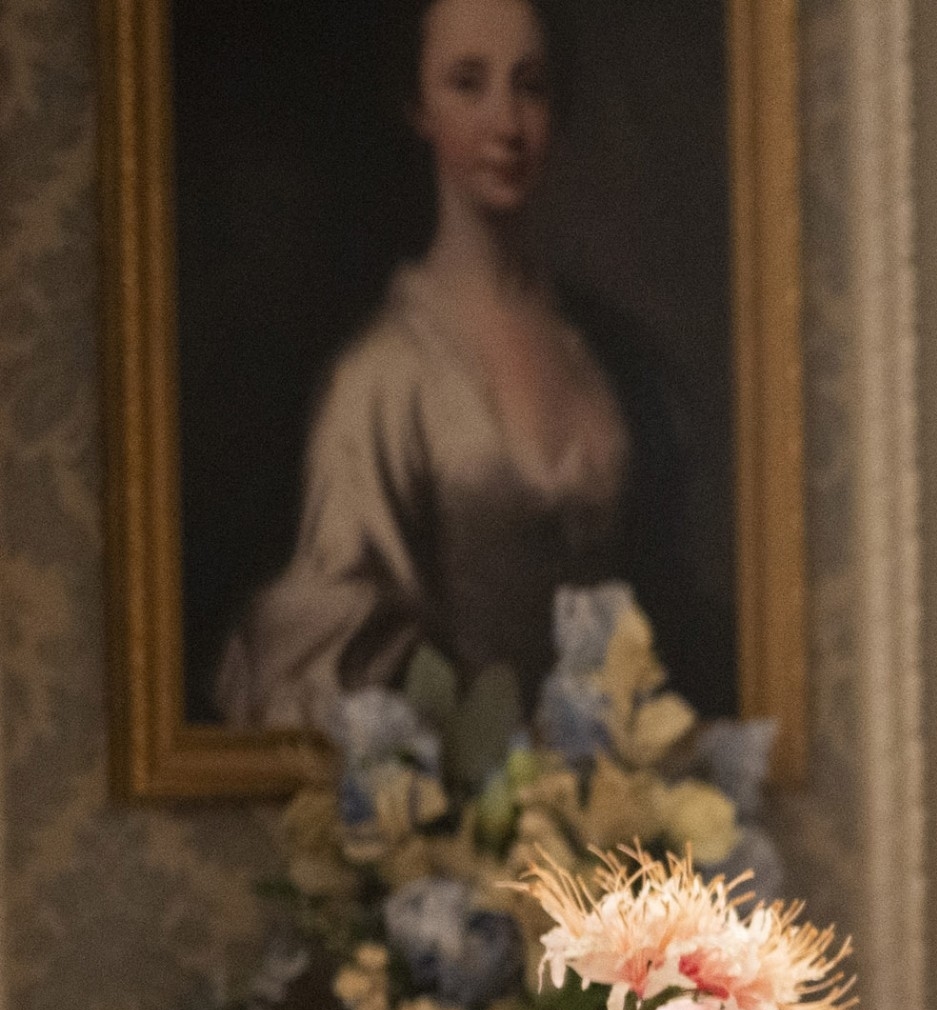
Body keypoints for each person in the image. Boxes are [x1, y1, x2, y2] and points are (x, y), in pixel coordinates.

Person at [219, 0, 701, 734]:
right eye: (468, 84)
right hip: (460, 821)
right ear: (418, 106)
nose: (506, 125)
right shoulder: (380, 381)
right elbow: (329, 672)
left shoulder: (616, 361)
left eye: (530, 86)